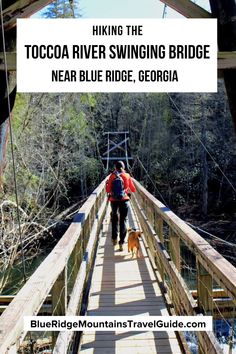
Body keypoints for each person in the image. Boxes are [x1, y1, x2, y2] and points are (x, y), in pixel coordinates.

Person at [106, 161, 136, 251]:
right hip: (124, 200)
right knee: (123, 220)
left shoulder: (112, 176)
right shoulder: (127, 176)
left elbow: (108, 190)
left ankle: (114, 238)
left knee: (114, 219)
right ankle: (121, 242)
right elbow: (133, 190)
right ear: (123, 167)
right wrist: (126, 190)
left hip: (114, 201)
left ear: (115, 168)